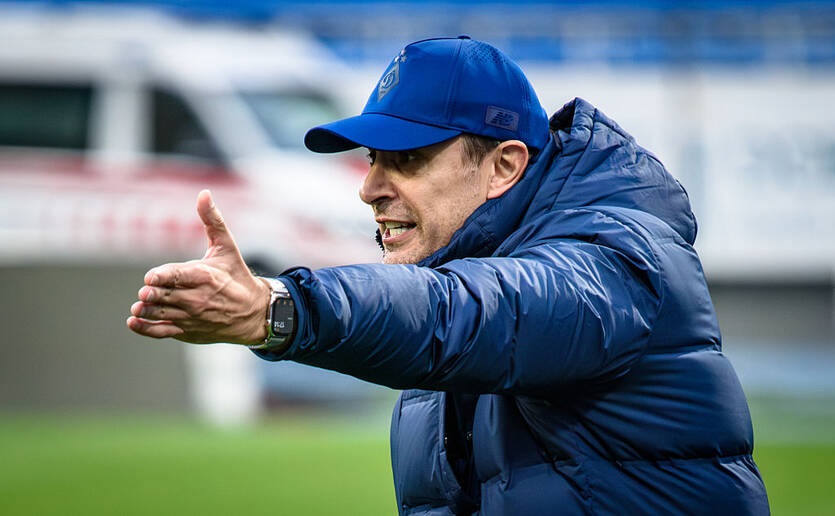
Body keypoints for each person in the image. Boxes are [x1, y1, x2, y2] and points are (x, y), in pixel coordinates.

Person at [128, 36, 769, 514]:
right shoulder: (452, 267)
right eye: (373, 159)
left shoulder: (617, 258)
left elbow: (473, 314)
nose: (370, 188)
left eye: (407, 159)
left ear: (504, 166)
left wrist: (278, 310)